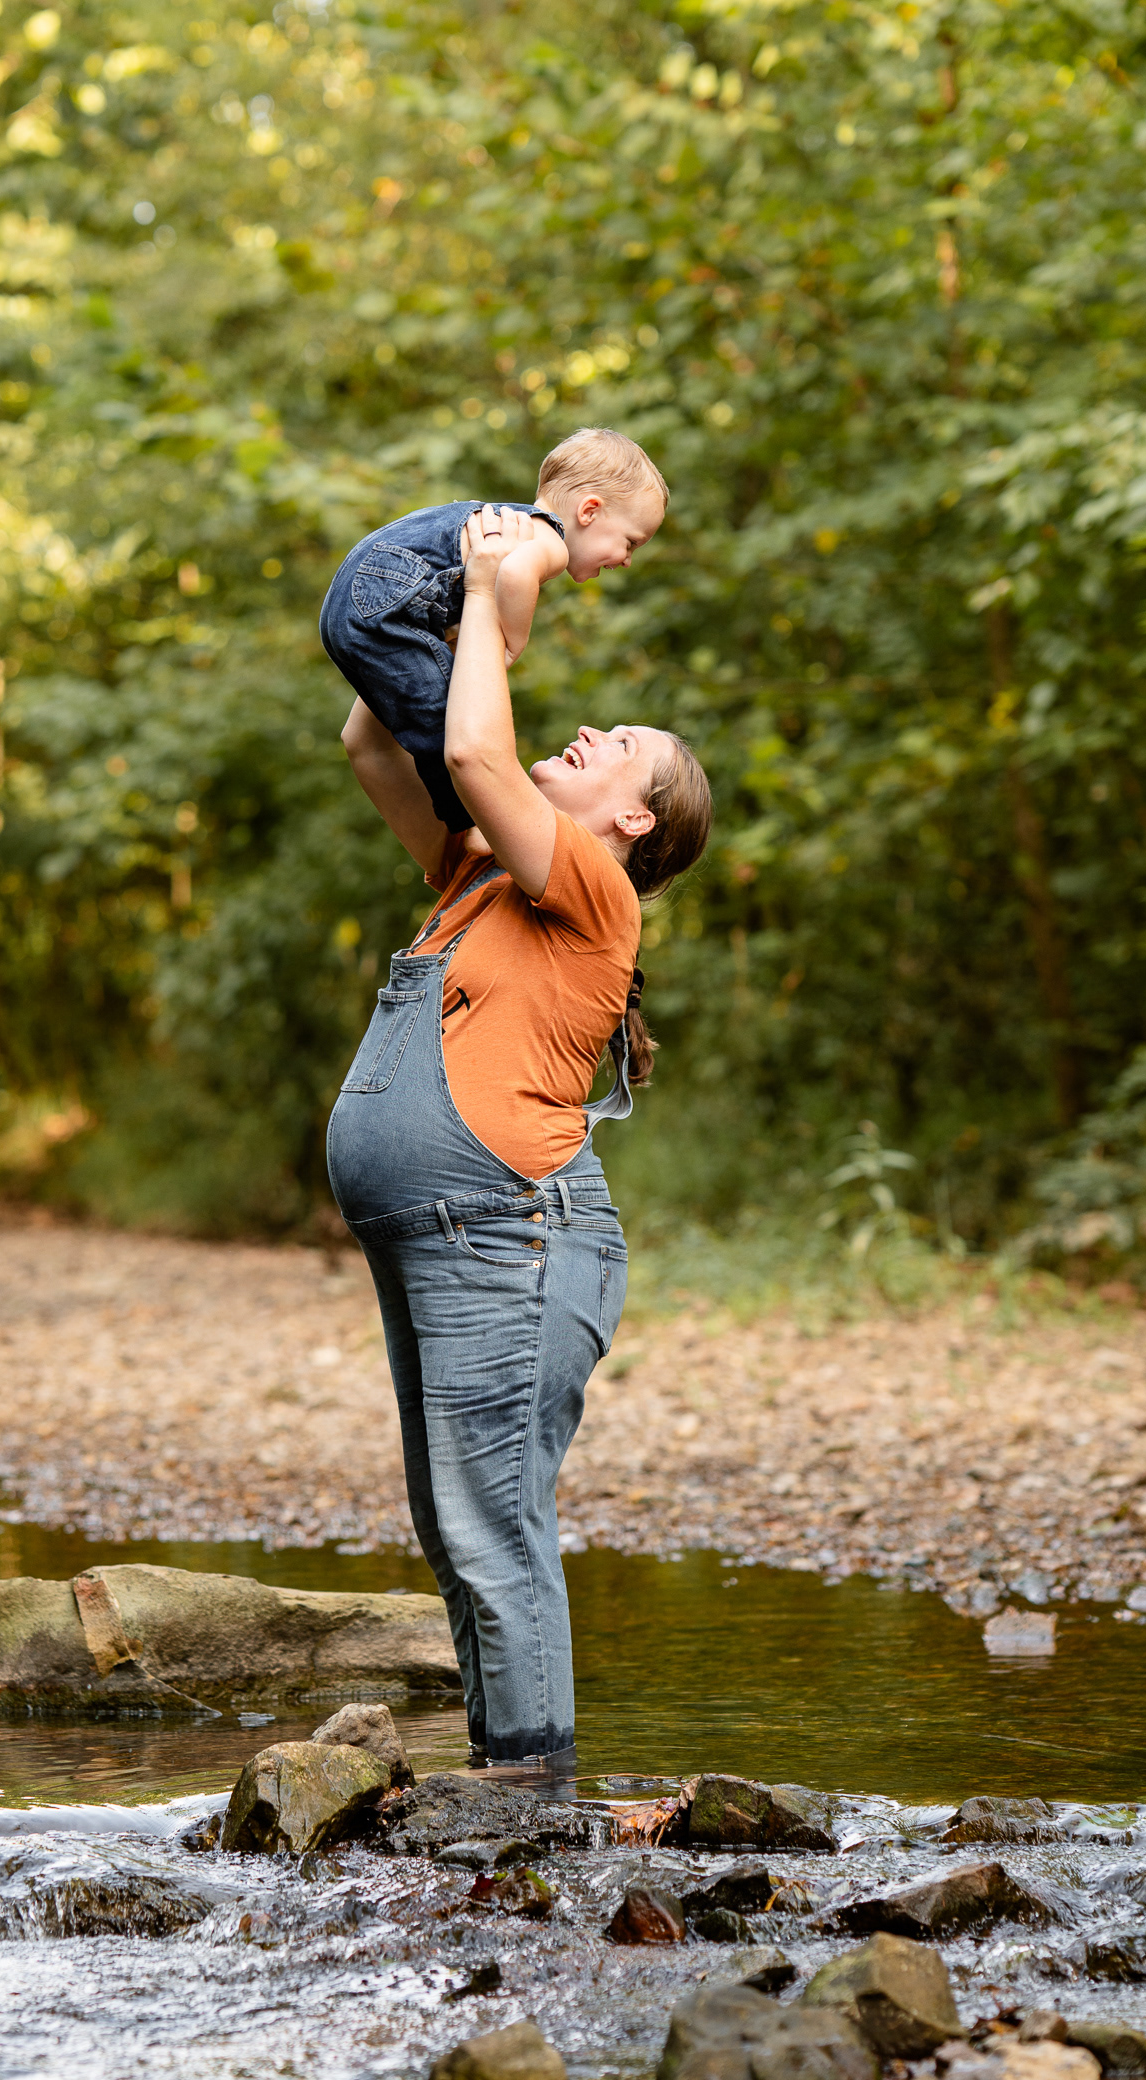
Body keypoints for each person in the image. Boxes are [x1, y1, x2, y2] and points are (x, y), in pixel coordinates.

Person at [327, 504, 711, 1773]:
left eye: (622, 749)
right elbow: (374, 740)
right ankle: (510, 1783)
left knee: (493, 1522)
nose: (590, 731)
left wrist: (500, 606)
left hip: (515, 1240)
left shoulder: (592, 889)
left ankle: (534, 1799)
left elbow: (483, 757)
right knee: (455, 1523)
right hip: (445, 1237)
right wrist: (429, 603)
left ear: (636, 823)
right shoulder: (477, 872)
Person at [319, 427, 668, 832]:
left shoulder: (511, 520)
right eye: (630, 543)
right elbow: (518, 574)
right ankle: (476, 822)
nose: (627, 560)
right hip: (386, 597)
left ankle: (464, 817)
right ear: (589, 512)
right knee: (445, 723)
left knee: (432, 703)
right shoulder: (549, 541)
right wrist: (512, 641)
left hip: (354, 597)